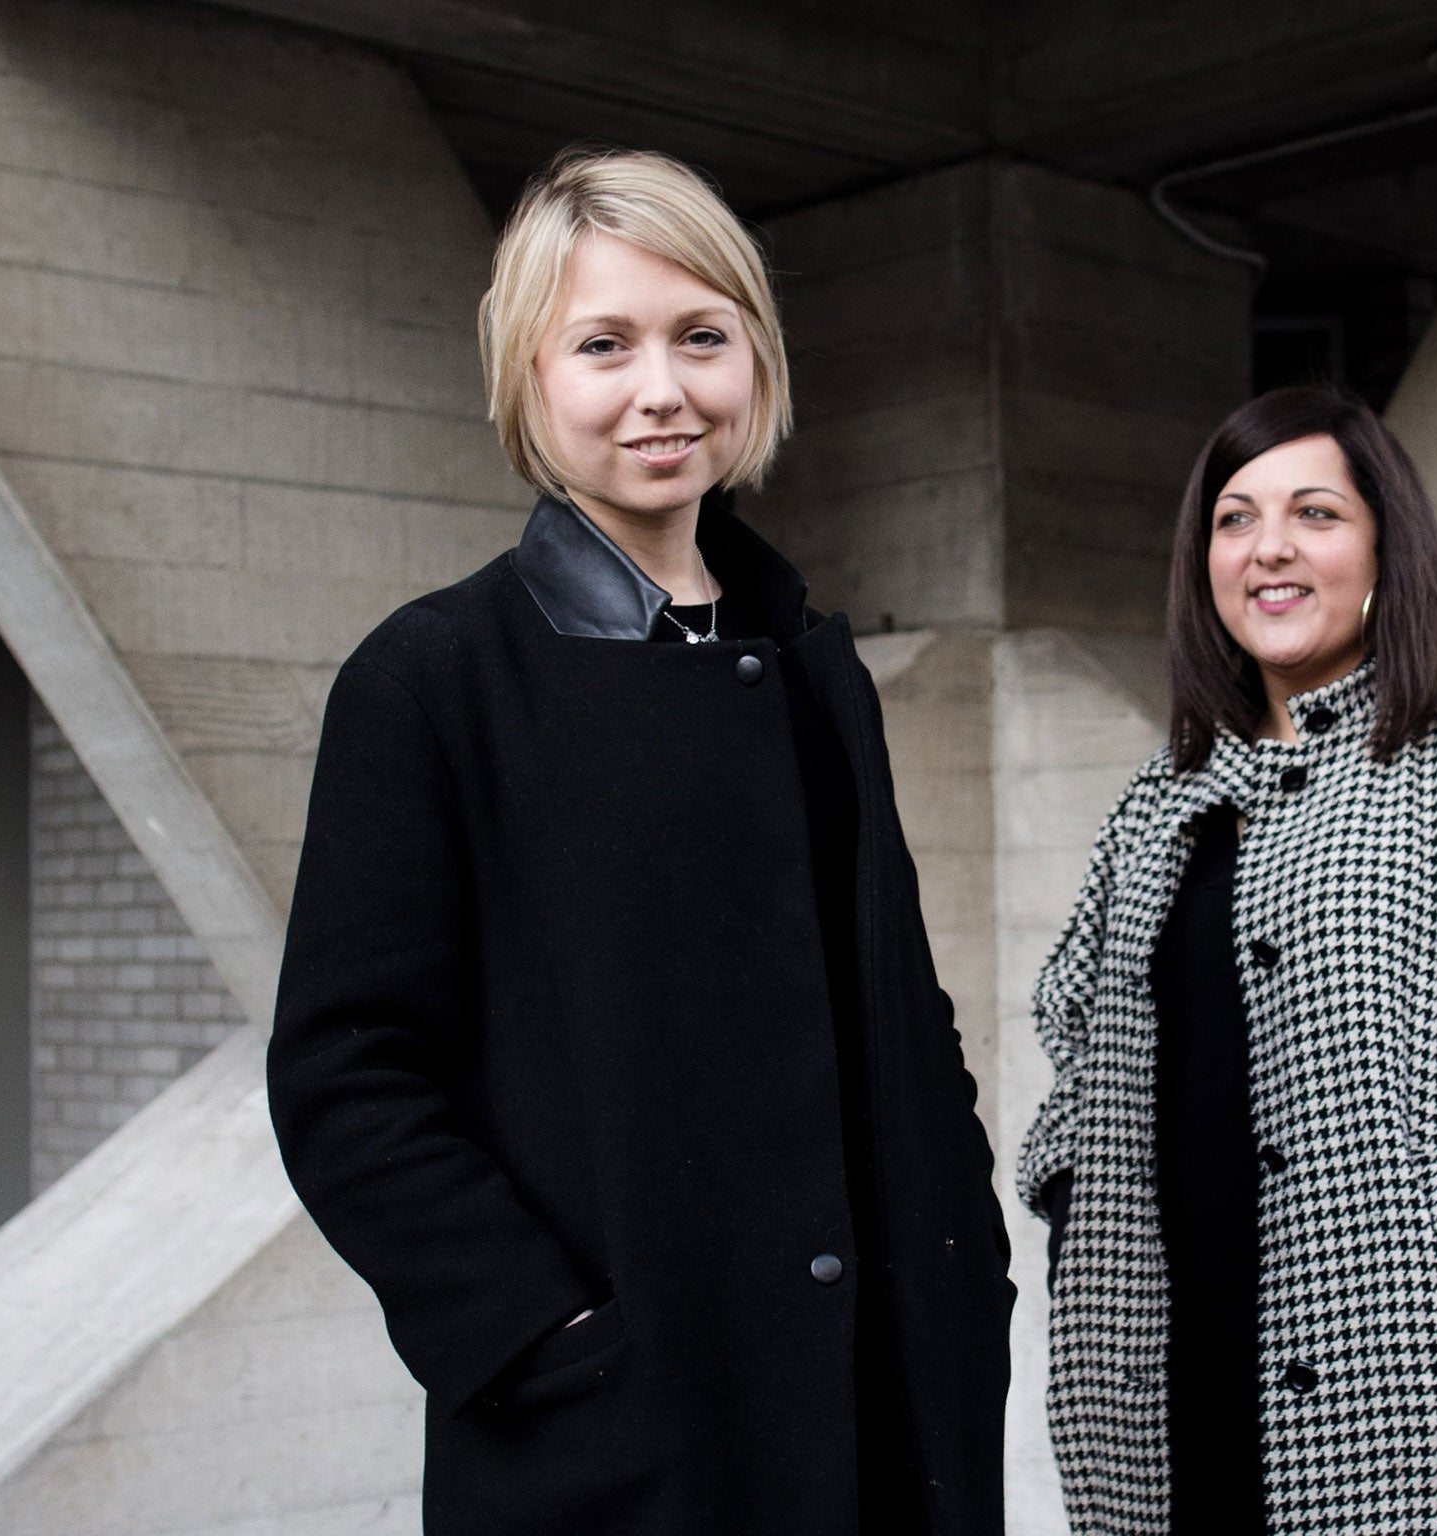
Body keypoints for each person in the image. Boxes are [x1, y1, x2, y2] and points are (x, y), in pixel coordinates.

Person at [267, 147, 1013, 1536]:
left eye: (701, 337)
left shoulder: (811, 664)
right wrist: (539, 1332)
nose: (662, 390)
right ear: (529, 377)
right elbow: (344, 1076)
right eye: (603, 344)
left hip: (891, 1407)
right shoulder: (431, 681)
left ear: (757, 360)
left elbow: (905, 1019)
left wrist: (970, 1267)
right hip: (627, 1435)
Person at [1017, 385, 1437, 1535]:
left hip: (1418, 1385)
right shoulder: (1160, 800)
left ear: (1381, 547)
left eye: (1313, 514)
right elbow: (1071, 1022)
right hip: (1168, 1375)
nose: (1267, 548)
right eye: (1233, 519)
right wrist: (1078, 1217)